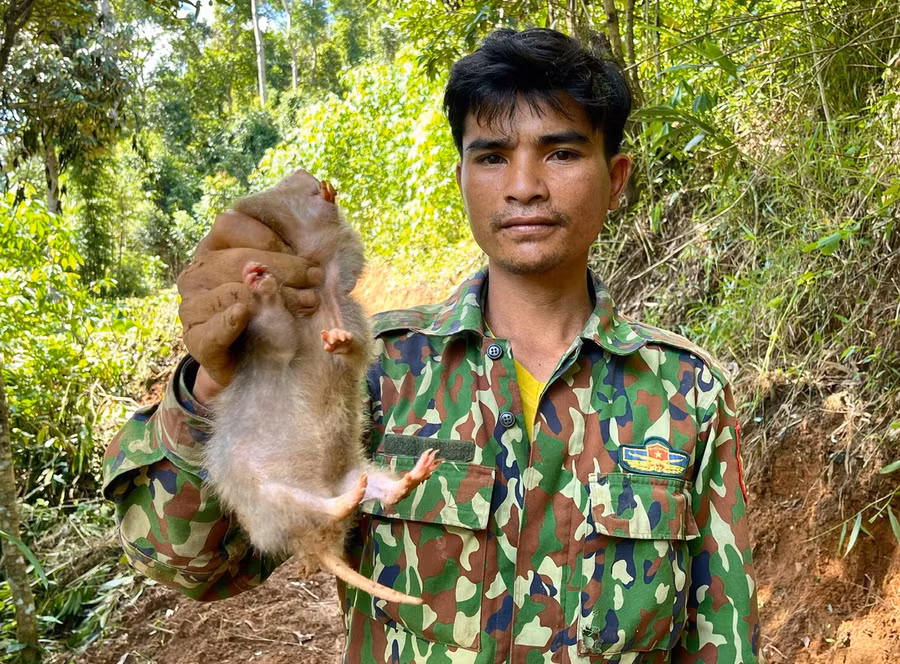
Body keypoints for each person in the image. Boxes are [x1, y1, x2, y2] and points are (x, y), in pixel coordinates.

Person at [103, 28, 759, 663]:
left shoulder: (685, 393)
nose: (524, 185)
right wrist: (215, 384)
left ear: (615, 179)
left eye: (560, 152)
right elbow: (190, 565)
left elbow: (721, 637)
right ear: (462, 179)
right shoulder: (373, 369)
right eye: (492, 156)